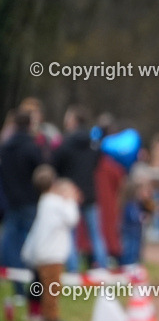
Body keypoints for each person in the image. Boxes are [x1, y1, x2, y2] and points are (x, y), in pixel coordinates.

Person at [21, 166, 80, 321]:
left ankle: (39, 316)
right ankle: (51, 319)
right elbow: (72, 219)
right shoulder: (55, 203)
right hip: (52, 254)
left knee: (40, 286)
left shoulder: (44, 201)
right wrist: (70, 199)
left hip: (43, 252)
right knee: (52, 289)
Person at [52, 105, 108, 270]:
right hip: (90, 193)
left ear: (73, 120)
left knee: (71, 235)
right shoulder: (93, 143)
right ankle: (103, 269)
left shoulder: (65, 142)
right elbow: (96, 163)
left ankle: (73, 272)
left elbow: (56, 164)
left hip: (69, 195)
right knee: (96, 234)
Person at [1, 109, 44, 308]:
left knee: (12, 249)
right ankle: (34, 292)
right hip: (30, 205)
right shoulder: (32, 148)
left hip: (11, 205)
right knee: (34, 250)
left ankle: (18, 290)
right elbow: (43, 172)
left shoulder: (5, 148)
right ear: (29, 125)